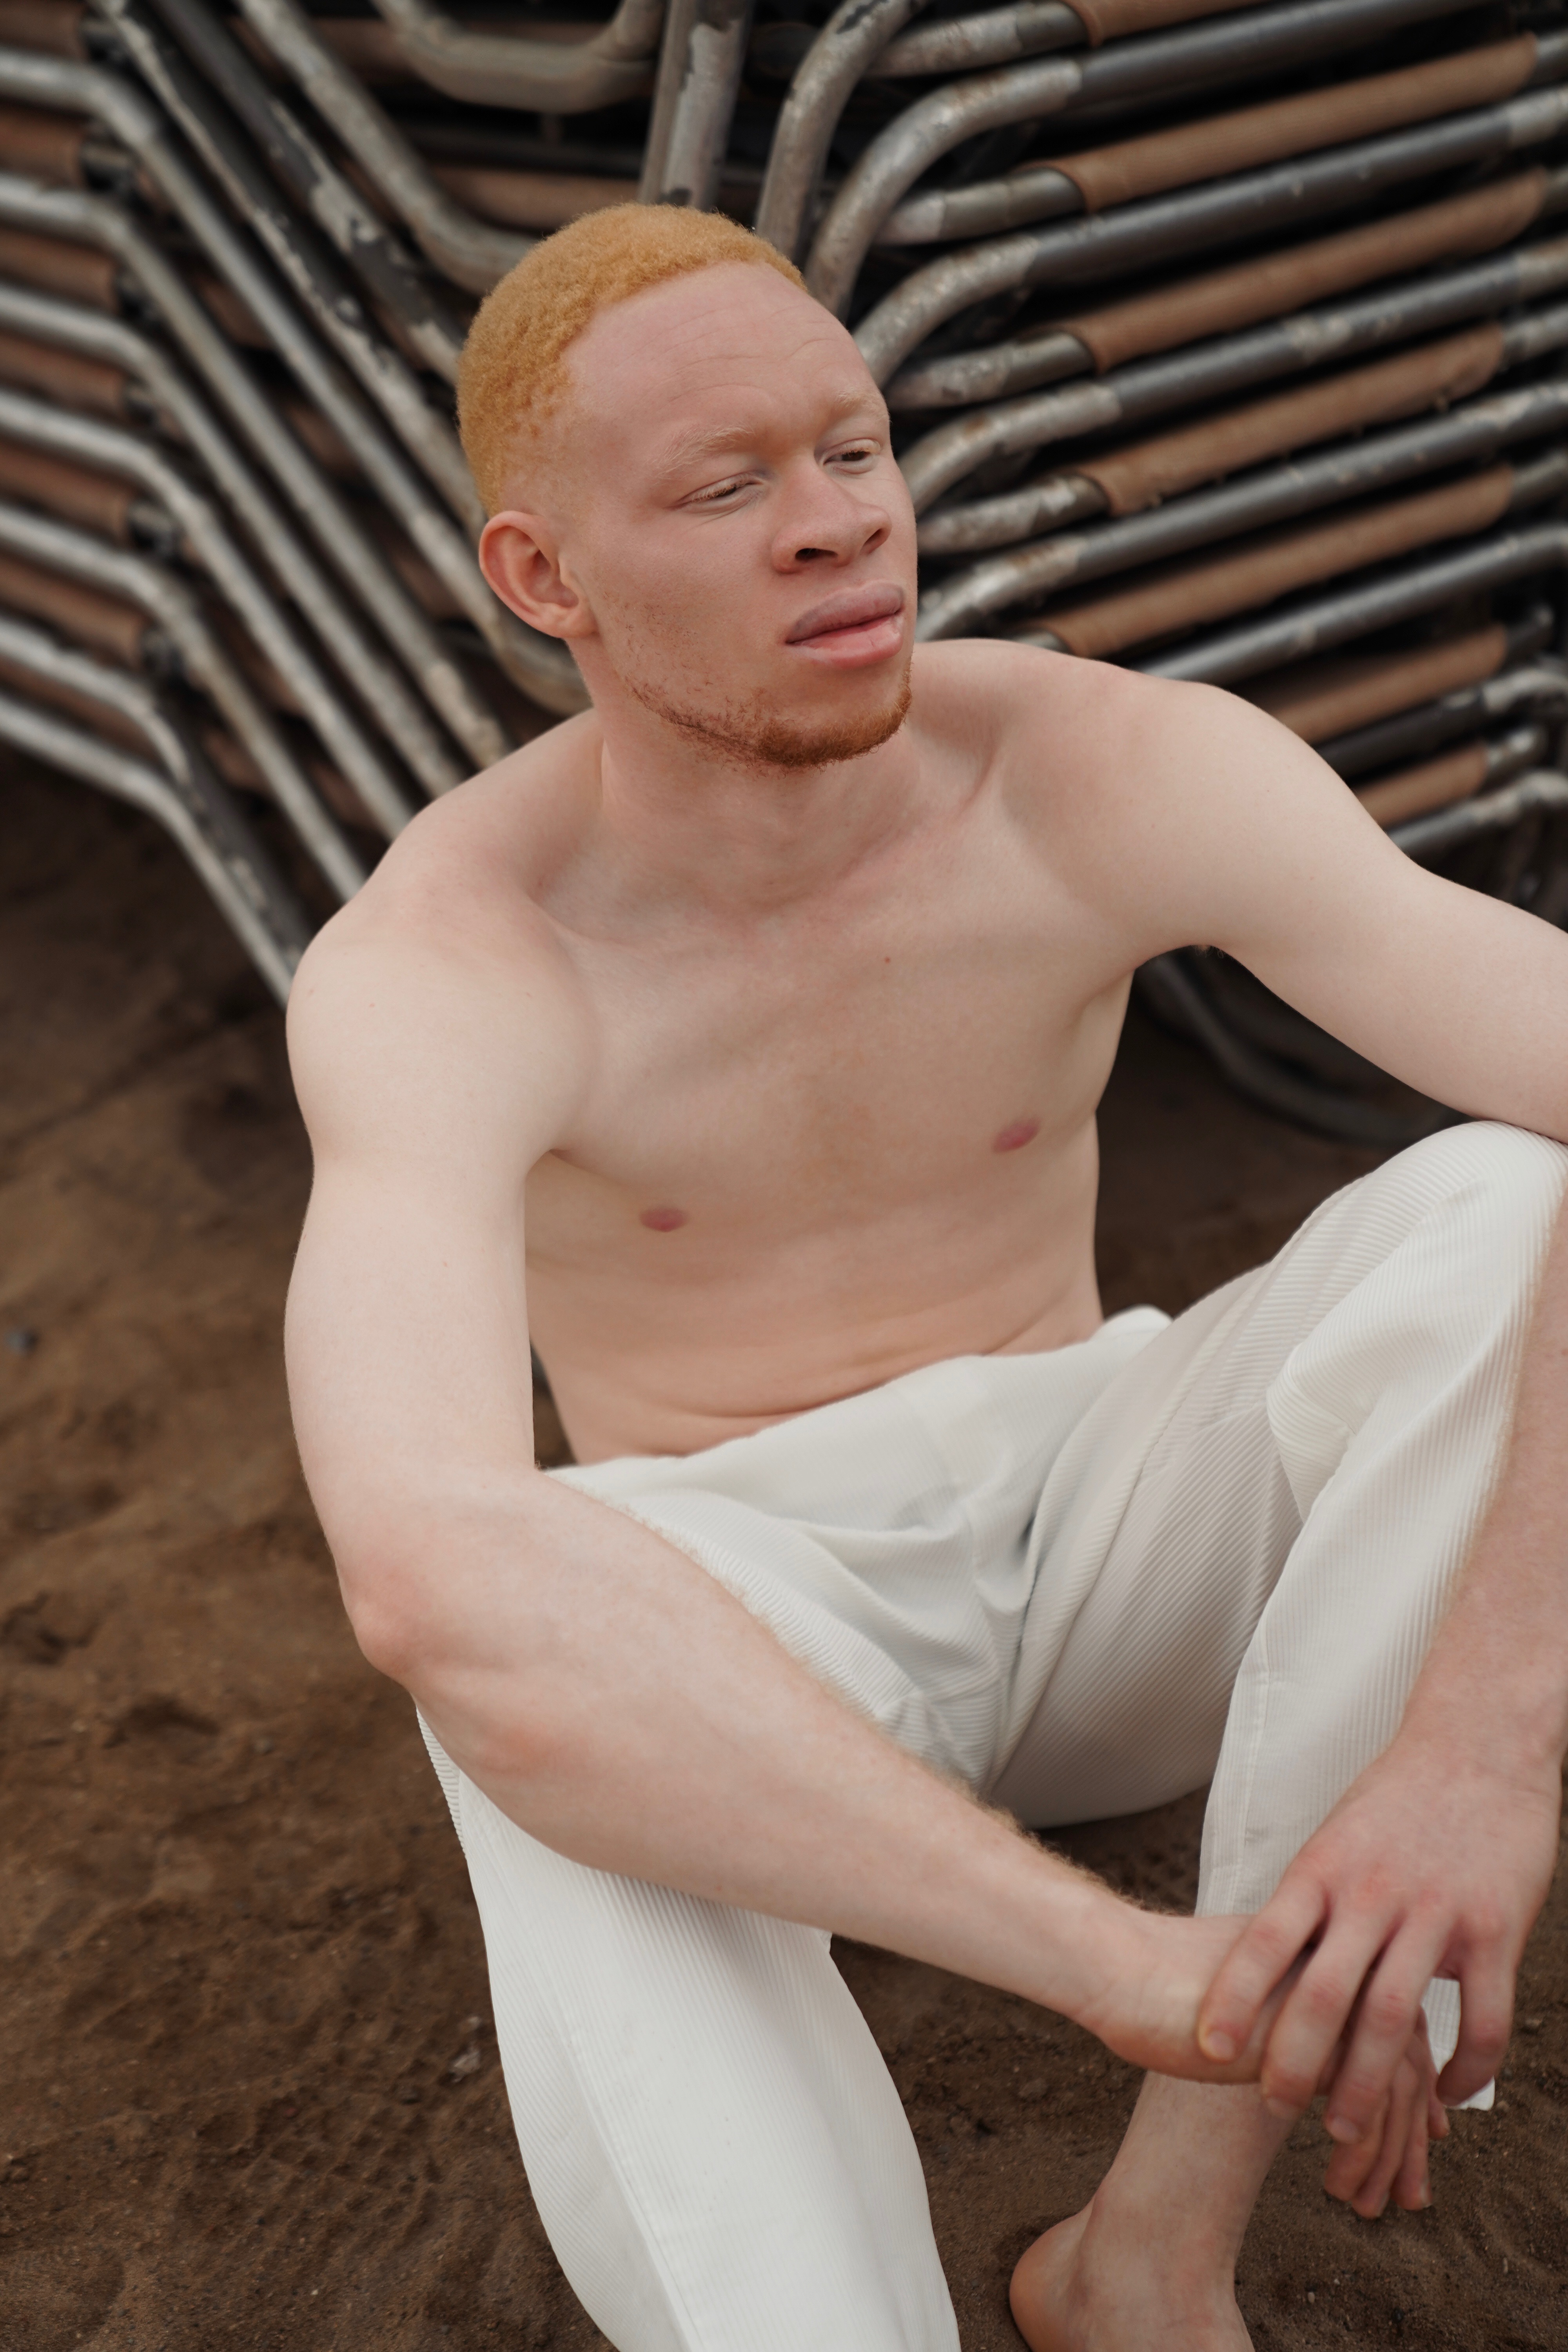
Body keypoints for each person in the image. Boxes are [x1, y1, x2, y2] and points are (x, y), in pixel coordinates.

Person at [282, 204, 1568, 2352]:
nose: (836, 532)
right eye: (727, 485)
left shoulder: (1095, 771)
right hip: (749, 1626)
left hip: (1112, 1527)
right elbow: (424, 1572)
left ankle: (1151, 2258)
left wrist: (1483, 1749)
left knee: (1504, 1214)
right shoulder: (449, 963)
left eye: (855, 452)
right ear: (544, 580)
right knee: (501, 1646)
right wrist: (1118, 1970)